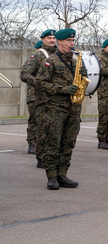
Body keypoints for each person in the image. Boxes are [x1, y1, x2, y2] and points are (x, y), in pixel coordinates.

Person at [34, 28, 87, 190]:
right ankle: (51, 177)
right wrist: (63, 89)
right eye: (69, 41)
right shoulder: (50, 61)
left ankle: (62, 174)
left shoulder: (75, 61)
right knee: (53, 143)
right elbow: (40, 83)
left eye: (73, 41)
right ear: (60, 42)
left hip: (73, 108)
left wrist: (83, 76)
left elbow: (81, 78)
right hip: (55, 109)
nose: (72, 44)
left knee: (68, 143)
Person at [20, 29, 56, 166]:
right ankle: (32, 144)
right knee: (35, 121)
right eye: (49, 38)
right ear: (43, 39)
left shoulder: (58, 55)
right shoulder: (38, 55)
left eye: (53, 38)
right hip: (35, 95)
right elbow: (24, 73)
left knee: (48, 124)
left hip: (50, 96)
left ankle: (48, 151)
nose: (52, 40)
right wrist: (39, 83)